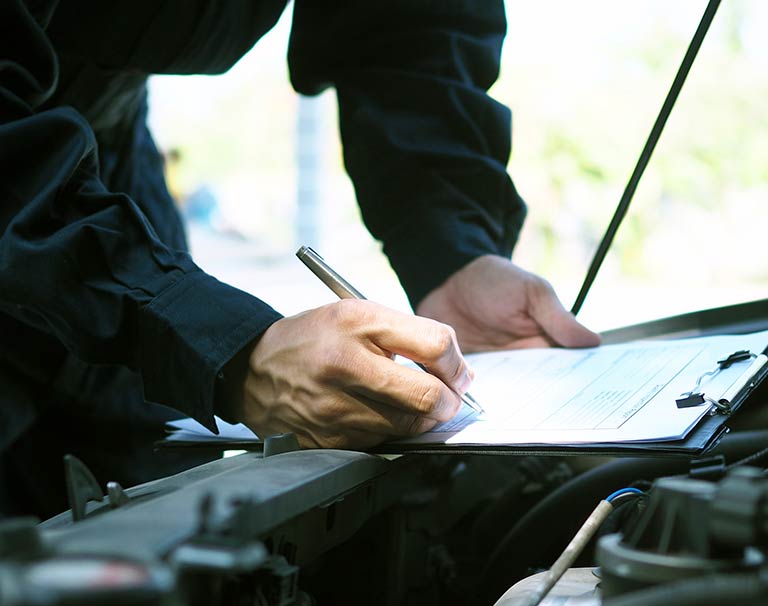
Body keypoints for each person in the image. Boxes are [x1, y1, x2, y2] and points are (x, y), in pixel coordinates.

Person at [0, 0, 598, 517]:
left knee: (145, 510)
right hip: (23, 171)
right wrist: (233, 353)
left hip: (104, 172)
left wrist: (452, 250)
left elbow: (410, 32)